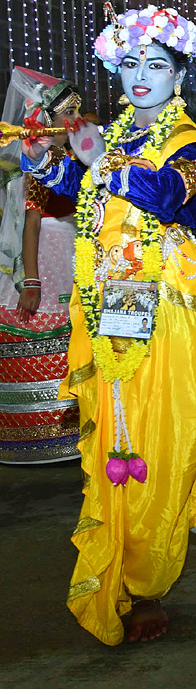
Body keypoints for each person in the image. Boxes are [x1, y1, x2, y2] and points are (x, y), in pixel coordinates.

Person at [22, 5, 196, 644]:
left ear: (178, 74)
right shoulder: (117, 138)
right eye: (130, 63)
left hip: (167, 310)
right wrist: (48, 165)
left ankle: (146, 584)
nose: (140, 76)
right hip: (113, 306)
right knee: (120, 446)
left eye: (156, 64)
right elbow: (85, 192)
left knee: (161, 443)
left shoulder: (194, 143)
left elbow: (166, 196)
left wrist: (103, 158)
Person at [0, 70, 81, 464]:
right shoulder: (42, 161)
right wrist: (31, 279)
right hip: (49, 251)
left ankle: (76, 428)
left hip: (74, 247)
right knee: (47, 326)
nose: (75, 120)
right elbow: (31, 222)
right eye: (68, 113)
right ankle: (40, 430)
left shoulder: (75, 157)